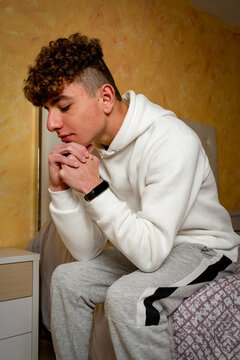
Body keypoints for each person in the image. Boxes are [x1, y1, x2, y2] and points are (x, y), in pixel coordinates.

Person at [23, 33, 240, 360]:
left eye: (64, 106)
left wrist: (95, 188)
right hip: (150, 242)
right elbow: (86, 251)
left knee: (128, 297)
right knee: (66, 280)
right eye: (48, 109)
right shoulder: (95, 152)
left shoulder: (173, 140)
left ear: (106, 97)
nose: (53, 122)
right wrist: (62, 191)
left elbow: (151, 255)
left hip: (203, 246)